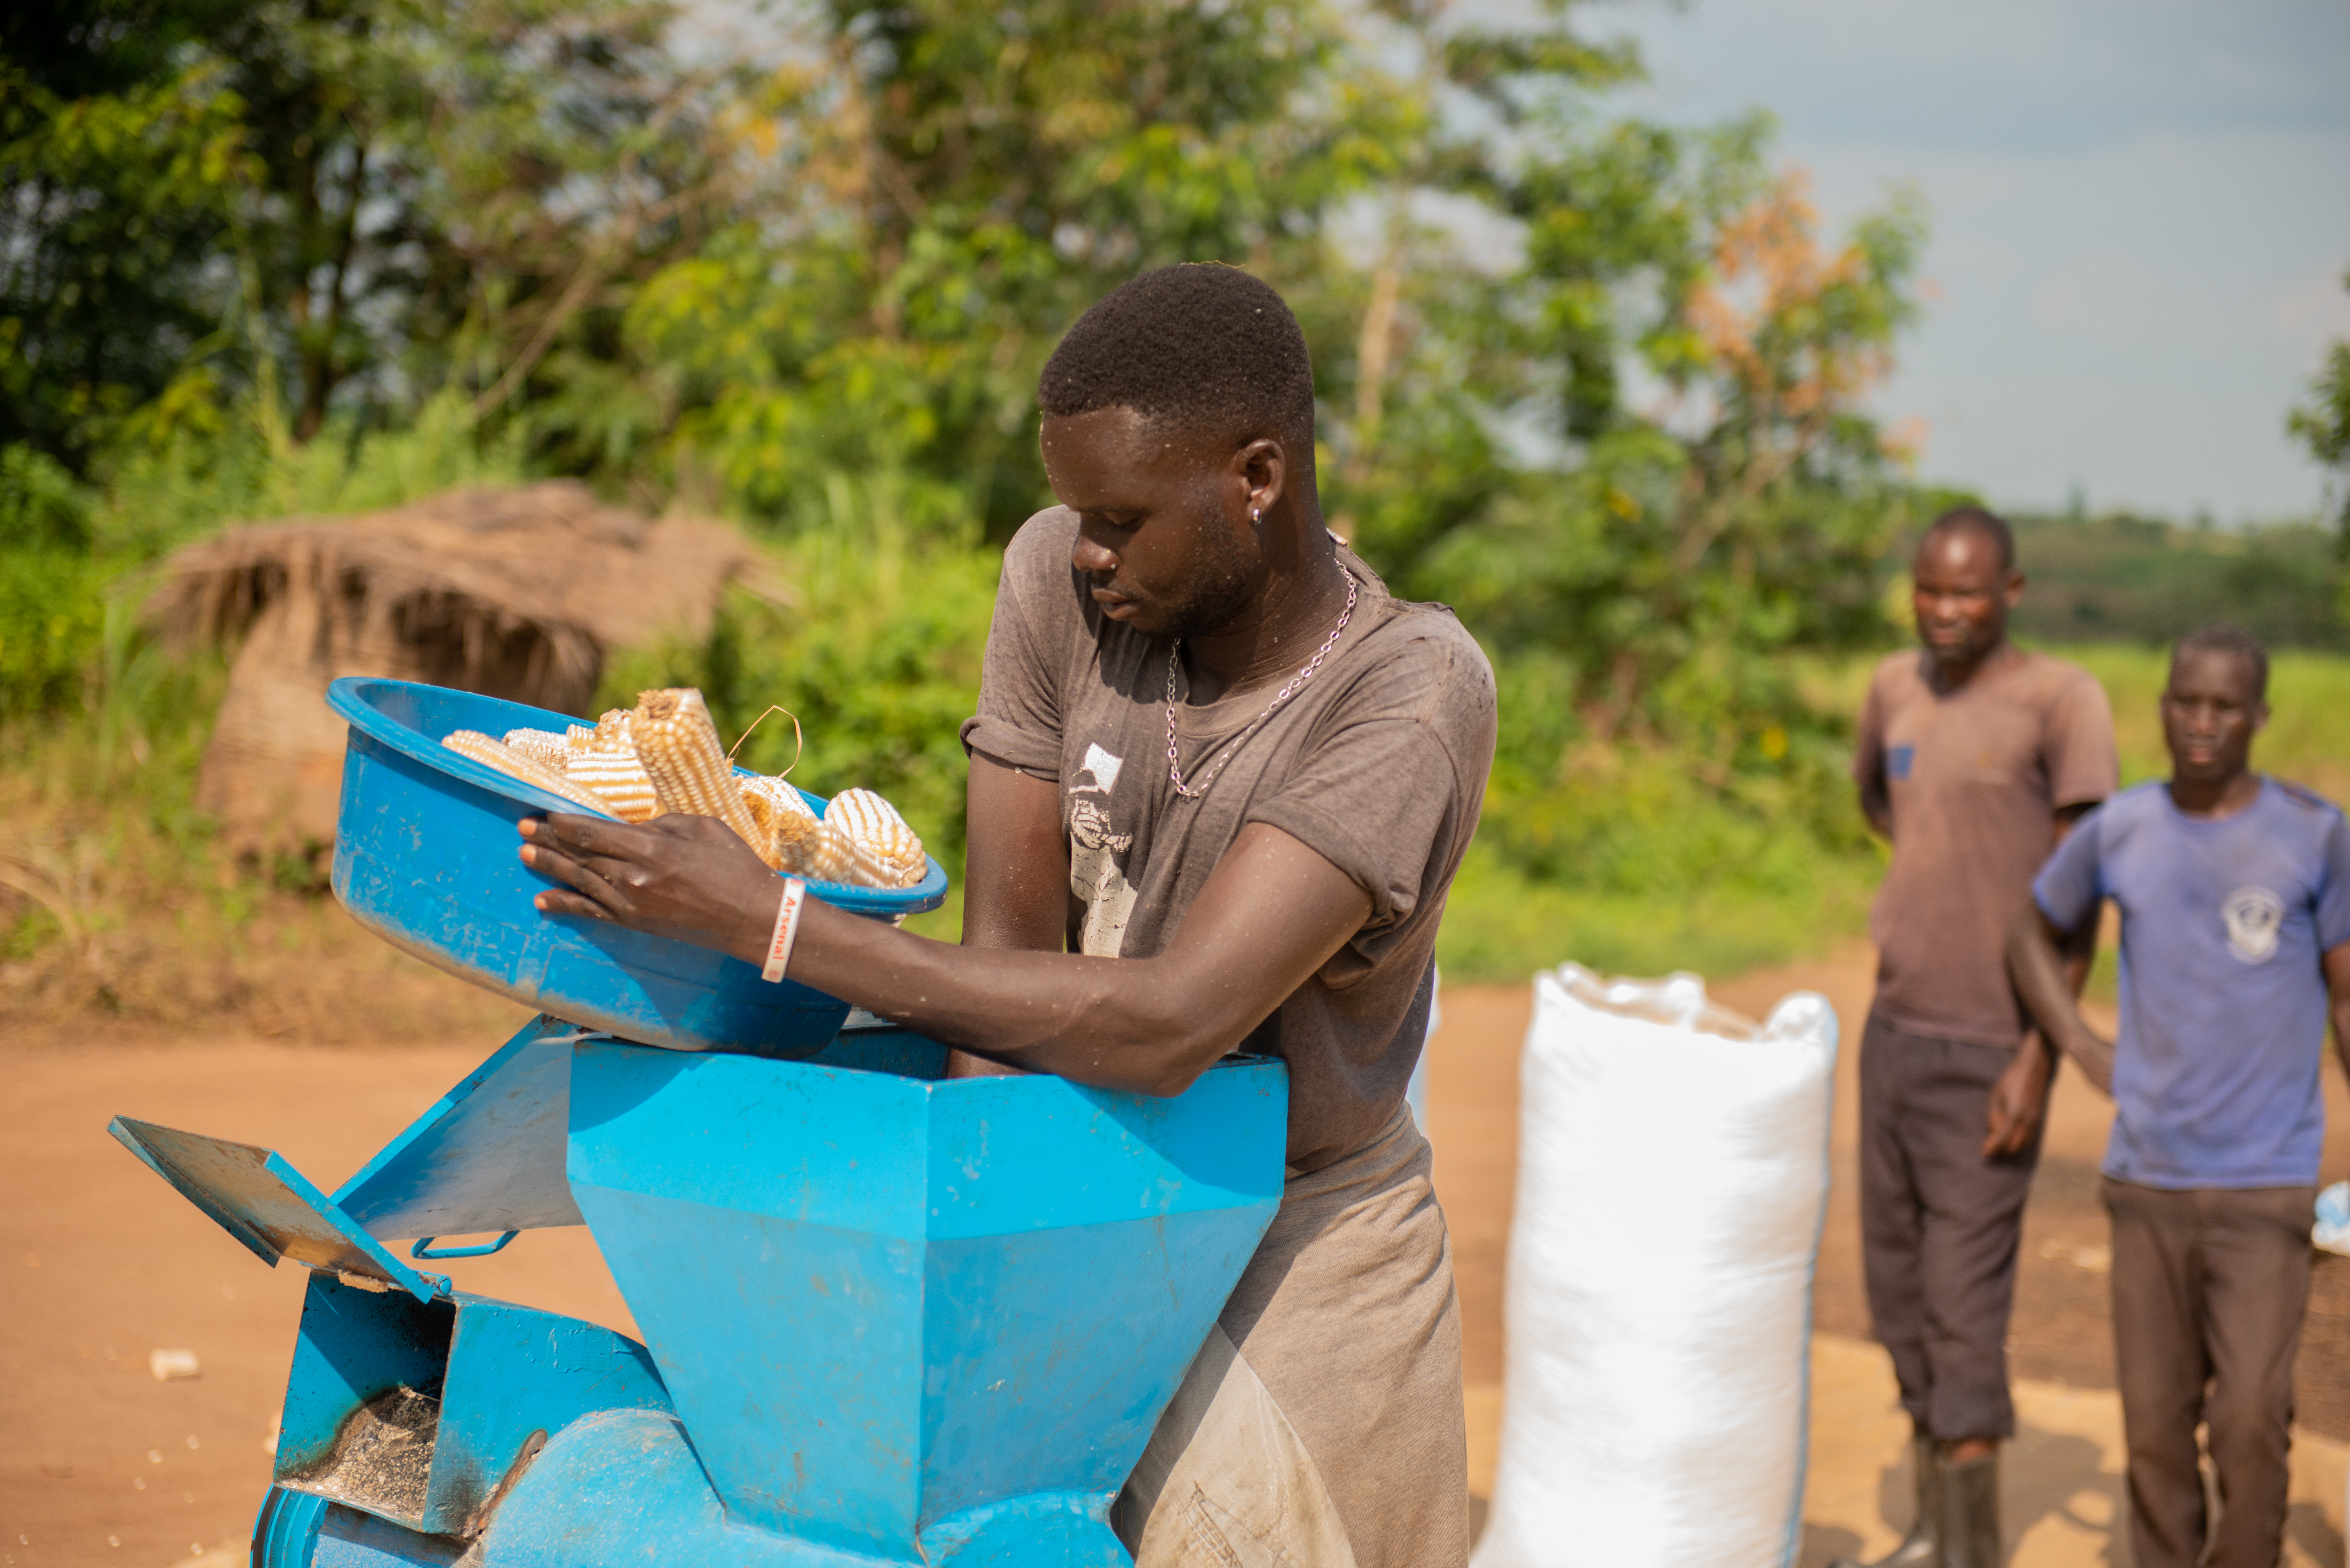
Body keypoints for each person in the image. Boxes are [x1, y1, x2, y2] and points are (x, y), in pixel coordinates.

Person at [515, 262, 1498, 1568]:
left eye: (1123, 517)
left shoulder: (1406, 694)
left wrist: (775, 925)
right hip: (1070, 1166)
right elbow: (1002, 960)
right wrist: (988, 1268)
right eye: (1077, 510)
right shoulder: (1060, 579)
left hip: (1290, 1229)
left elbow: (1174, 1027)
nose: (1089, 547)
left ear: (1256, 479)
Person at [2008, 625, 2350, 1568]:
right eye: (2184, 701)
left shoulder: (2313, 835)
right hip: (2147, 1180)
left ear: (2260, 717)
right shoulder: (2122, 828)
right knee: (2156, 1431)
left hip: (2265, 1186)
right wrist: (2079, 1042)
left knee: (2248, 1418)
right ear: (2162, 704)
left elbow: (2349, 998)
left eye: (2225, 706)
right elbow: (2031, 931)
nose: (2201, 723)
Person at [1841, 507, 2119, 1568]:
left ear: (2012, 591)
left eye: (1965, 592)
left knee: (1964, 1308)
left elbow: (2081, 899)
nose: (1943, 611)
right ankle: (1929, 1532)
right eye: (1927, 589)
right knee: (1900, 1295)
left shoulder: (2063, 702)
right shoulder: (1895, 689)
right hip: (1894, 1033)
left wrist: (2041, 1057)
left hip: (1994, 1051)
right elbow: (1884, 802)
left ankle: (1972, 1555)